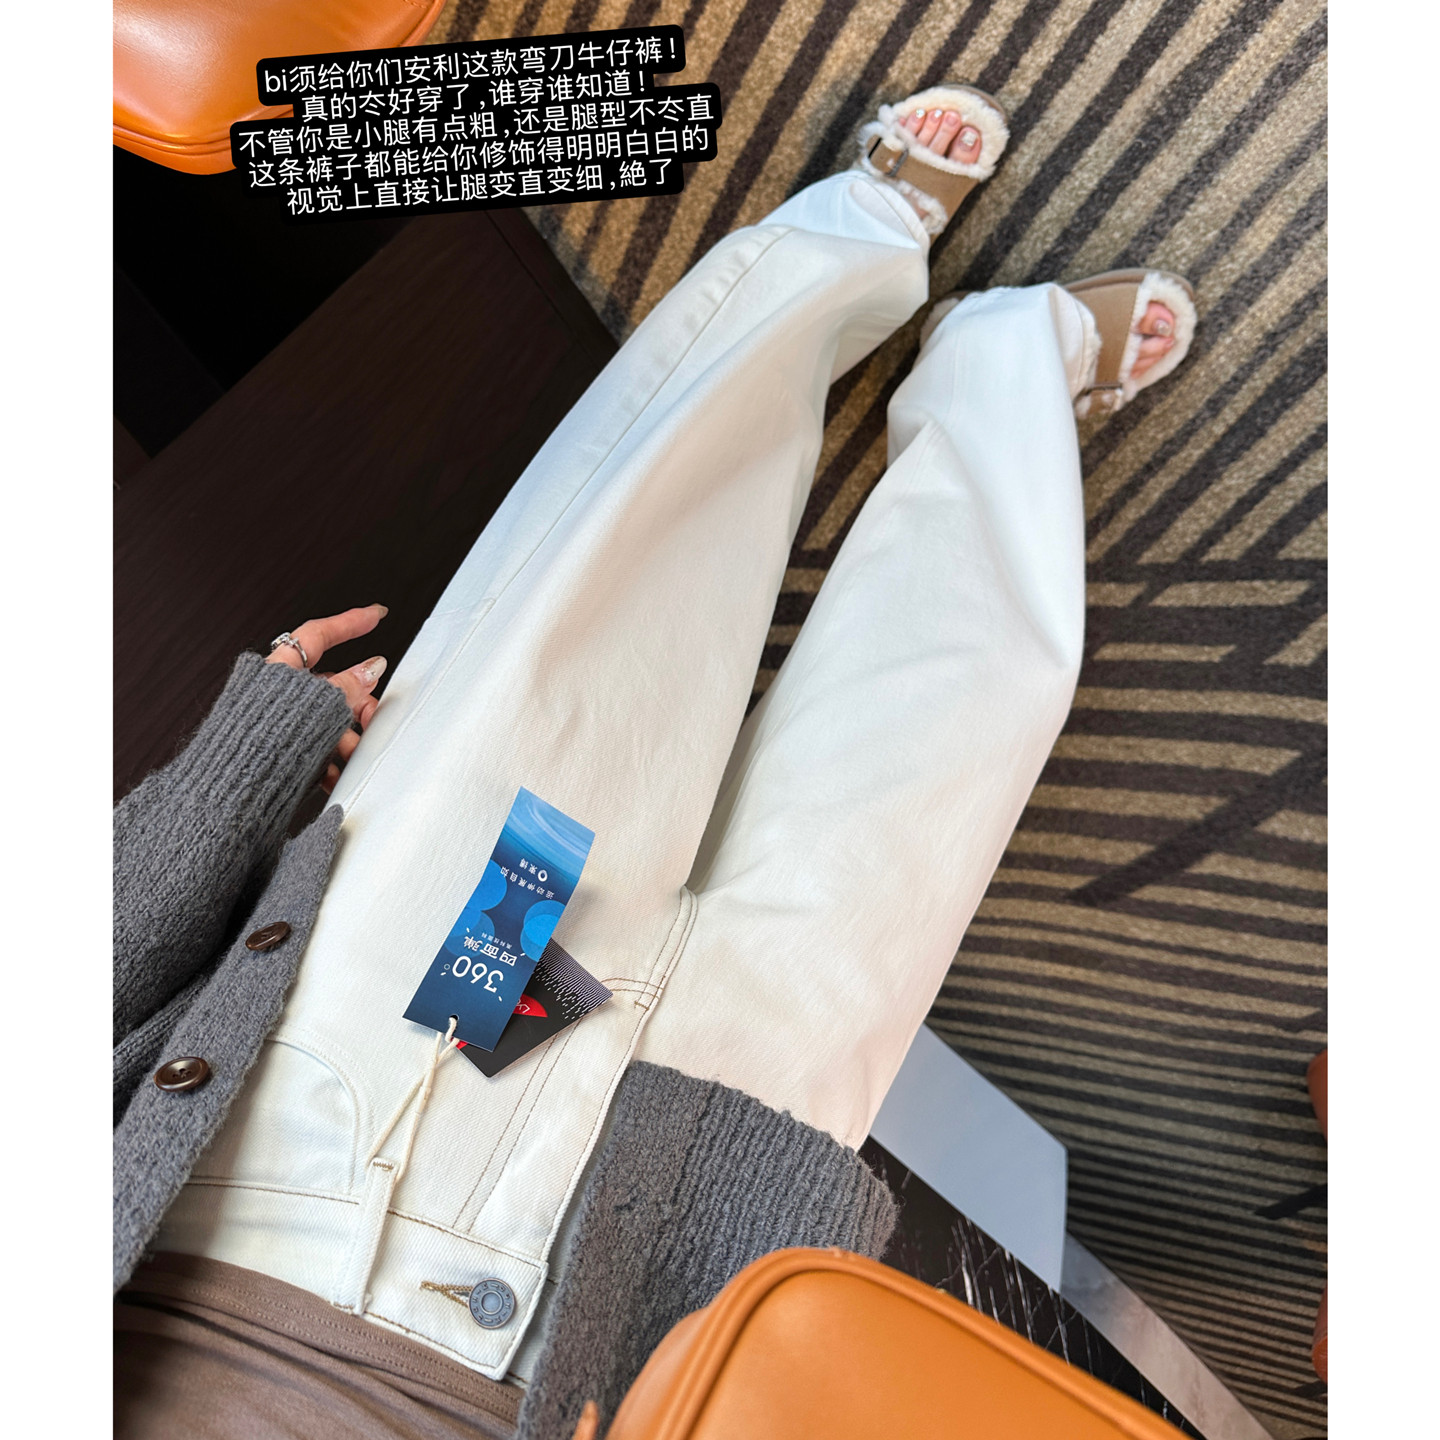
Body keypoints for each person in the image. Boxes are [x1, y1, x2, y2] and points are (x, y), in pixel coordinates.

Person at [114, 83, 1195, 1440]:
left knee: (624, 591)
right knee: (924, 766)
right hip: (640, 1307)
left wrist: (225, 787)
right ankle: (1014, 383)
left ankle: (852, 237)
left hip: (327, 1132)